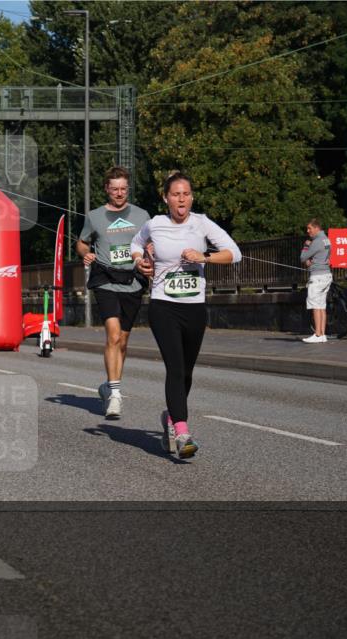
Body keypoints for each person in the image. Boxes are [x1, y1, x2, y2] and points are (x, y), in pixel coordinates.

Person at [130, 172, 240, 459]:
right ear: (166, 198)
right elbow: (135, 245)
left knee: (187, 372)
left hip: (194, 308)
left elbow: (234, 253)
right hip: (163, 306)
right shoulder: (155, 224)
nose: (182, 199)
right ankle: (182, 431)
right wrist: (141, 262)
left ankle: (170, 417)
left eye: (186, 193)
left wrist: (204, 258)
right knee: (176, 369)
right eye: (176, 194)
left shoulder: (201, 223)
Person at [77, 166, 150, 418]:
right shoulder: (95, 216)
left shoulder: (142, 215)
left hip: (132, 280)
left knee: (124, 341)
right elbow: (82, 241)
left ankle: (109, 385)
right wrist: (85, 253)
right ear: (106, 189)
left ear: (127, 189)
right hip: (105, 279)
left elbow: (150, 243)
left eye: (123, 189)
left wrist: (149, 258)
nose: (119, 193)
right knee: (113, 334)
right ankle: (116, 395)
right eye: (114, 188)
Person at [300, 218, 332, 343]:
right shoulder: (326, 239)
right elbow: (325, 256)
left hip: (317, 277)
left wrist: (306, 246)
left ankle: (317, 335)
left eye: (310, 228)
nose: (308, 231)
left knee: (315, 305)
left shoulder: (317, 241)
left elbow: (303, 257)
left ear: (317, 228)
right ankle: (323, 334)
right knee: (322, 306)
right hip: (326, 275)